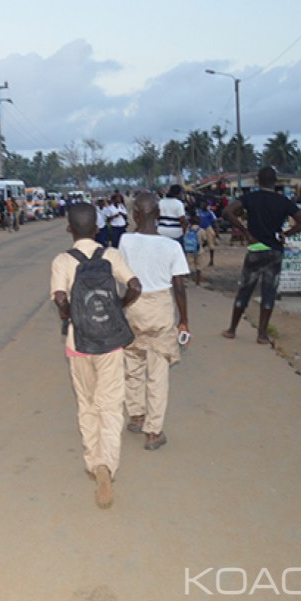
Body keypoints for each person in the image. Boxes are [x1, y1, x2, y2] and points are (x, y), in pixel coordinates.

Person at [50, 202, 141, 509]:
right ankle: (107, 465)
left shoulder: (63, 260)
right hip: (111, 341)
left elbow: (60, 299)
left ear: (69, 229)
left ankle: (92, 460)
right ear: (98, 229)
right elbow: (135, 285)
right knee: (112, 405)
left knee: (87, 403)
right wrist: (119, 307)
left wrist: (69, 313)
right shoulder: (111, 255)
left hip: (79, 342)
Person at [118, 192, 189, 451]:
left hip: (133, 306)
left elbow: (122, 276)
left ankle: (136, 416)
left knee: (133, 364)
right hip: (160, 308)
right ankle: (153, 432)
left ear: (135, 215)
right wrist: (184, 320)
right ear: (158, 214)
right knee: (157, 372)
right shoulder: (172, 247)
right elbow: (179, 287)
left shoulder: (125, 241)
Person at [221, 166, 301, 345]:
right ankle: (262, 334)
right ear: (275, 182)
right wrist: (287, 234)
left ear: (258, 181)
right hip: (275, 251)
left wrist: (246, 233)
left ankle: (232, 329)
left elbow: (227, 212)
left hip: (255, 249)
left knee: (245, 289)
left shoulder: (250, 198)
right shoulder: (283, 201)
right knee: (269, 292)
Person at [197, 199, 219, 266]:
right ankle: (198, 259)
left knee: (211, 245)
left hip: (208, 228)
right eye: (201, 204)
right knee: (199, 244)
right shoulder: (198, 212)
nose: (202, 205)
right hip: (200, 228)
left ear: (206, 205)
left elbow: (215, 222)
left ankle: (211, 260)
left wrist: (217, 231)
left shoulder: (210, 213)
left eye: (204, 204)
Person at [183, 215, 203, 286]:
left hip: (189, 250)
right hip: (198, 251)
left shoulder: (188, 230)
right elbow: (204, 239)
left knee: (188, 266)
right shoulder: (201, 230)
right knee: (198, 267)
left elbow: (184, 238)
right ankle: (198, 283)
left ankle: (186, 281)